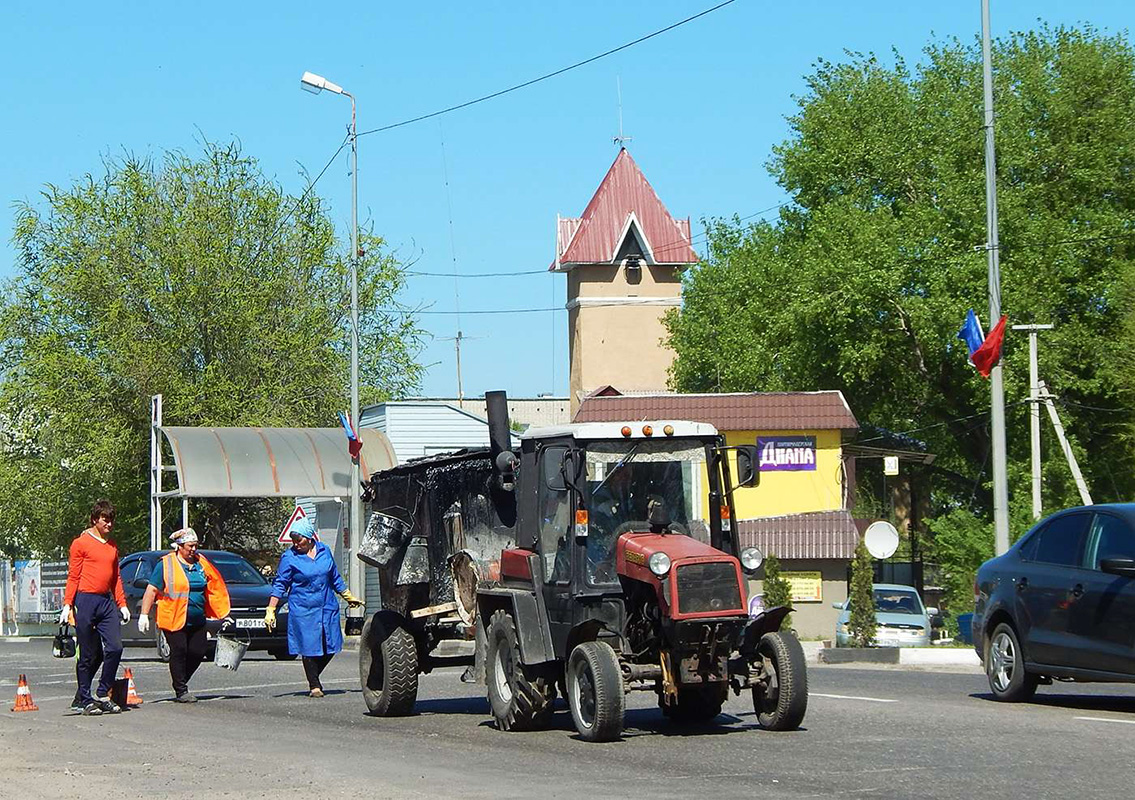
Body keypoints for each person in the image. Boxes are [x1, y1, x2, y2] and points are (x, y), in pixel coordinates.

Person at [264, 518, 363, 697]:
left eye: (299, 540)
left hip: (327, 606)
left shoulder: (324, 551)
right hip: (303, 608)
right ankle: (314, 685)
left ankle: (314, 674)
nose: (296, 544)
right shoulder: (289, 557)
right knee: (308, 646)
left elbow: (334, 577)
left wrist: (348, 596)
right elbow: (280, 584)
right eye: (293, 541)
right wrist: (271, 609)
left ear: (310, 538)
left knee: (331, 644)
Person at [138, 528, 231, 703]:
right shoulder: (165, 564)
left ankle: (181, 679)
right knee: (179, 650)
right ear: (179, 546)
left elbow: (213, 586)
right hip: (173, 617)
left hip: (197, 618)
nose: (194, 549)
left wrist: (221, 611)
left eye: (195, 545)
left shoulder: (201, 563)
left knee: (198, 651)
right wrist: (144, 614)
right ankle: (181, 690)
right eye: (190, 546)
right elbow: (152, 589)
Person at [60, 499, 130, 716]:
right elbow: (74, 576)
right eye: (105, 520)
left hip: (105, 602)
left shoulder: (112, 546)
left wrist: (122, 604)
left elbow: (116, 577)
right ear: (95, 520)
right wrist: (67, 604)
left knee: (115, 648)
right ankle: (83, 698)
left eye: (111, 520)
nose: (109, 524)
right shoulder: (80, 543)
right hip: (86, 600)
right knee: (89, 654)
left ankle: (101, 692)